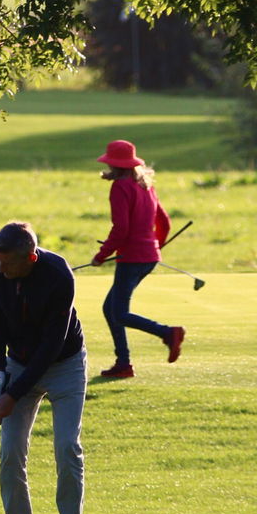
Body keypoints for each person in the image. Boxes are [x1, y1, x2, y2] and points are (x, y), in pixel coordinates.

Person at [0, 221, 87, 514]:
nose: (0, 269)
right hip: (16, 363)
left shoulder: (59, 275)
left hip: (64, 363)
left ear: (31, 257)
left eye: (8, 264)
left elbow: (51, 344)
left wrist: (13, 394)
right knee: (10, 451)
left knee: (67, 446)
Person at [91, 139, 185, 379]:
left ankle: (167, 333)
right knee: (110, 308)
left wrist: (101, 256)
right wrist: (155, 245)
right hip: (147, 256)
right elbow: (163, 221)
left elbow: (121, 229)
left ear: (114, 164)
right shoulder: (145, 185)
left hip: (132, 258)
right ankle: (123, 363)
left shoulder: (120, 187)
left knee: (119, 312)